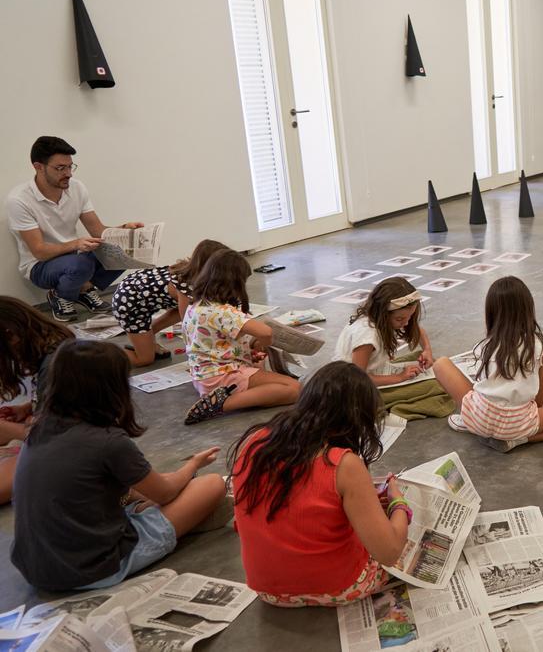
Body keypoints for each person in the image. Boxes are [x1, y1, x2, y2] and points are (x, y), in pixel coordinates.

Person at [10, 340, 227, 591]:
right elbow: (166, 492)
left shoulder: (39, 428)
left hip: (36, 569)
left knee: (157, 484)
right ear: (113, 387)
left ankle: (159, 512)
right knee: (210, 485)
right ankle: (175, 520)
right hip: (93, 569)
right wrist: (193, 465)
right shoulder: (107, 440)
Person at [230, 362, 412, 606]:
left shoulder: (254, 441)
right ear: (357, 421)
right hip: (338, 587)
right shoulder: (344, 465)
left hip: (269, 592)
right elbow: (388, 553)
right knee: (401, 539)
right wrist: (399, 504)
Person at [431, 276, 543, 452]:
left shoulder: (485, 345)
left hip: (478, 418)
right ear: (528, 309)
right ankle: (519, 440)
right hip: (518, 423)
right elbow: (540, 397)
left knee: (440, 364)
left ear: (491, 312)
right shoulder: (541, 345)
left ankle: (472, 425)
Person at [6, 136, 144, 321]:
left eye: (70, 166)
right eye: (60, 168)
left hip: (74, 257)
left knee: (126, 250)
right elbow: (39, 251)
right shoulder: (19, 200)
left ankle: (84, 289)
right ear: (38, 167)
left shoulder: (77, 188)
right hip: (40, 266)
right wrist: (77, 244)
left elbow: (98, 230)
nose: (68, 173)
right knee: (80, 264)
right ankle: (60, 296)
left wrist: (124, 230)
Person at [181, 249, 299, 424]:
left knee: (262, 368)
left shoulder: (195, 306)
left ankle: (222, 398)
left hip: (203, 377)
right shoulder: (223, 311)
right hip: (223, 376)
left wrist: (247, 351)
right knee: (294, 389)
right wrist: (263, 344)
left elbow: (216, 342)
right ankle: (223, 404)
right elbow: (266, 332)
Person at [333, 277, 454, 419]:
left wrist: (427, 349)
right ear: (383, 314)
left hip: (372, 371)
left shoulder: (380, 318)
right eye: (400, 319)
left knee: (425, 360)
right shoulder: (367, 338)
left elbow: (418, 330)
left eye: (410, 317)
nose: (406, 322)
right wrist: (399, 377)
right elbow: (357, 378)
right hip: (351, 388)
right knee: (435, 386)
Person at [0, 296, 74, 505]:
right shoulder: (51, 351)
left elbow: (59, 438)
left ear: (11, 336)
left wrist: (10, 431)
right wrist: (27, 408)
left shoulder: (56, 365)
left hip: (69, 451)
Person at [113, 239, 230, 367]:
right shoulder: (188, 284)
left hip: (138, 293)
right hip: (129, 304)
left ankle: (147, 336)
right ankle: (107, 355)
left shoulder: (195, 273)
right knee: (144, 359)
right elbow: (189, 323)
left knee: (185, 309)